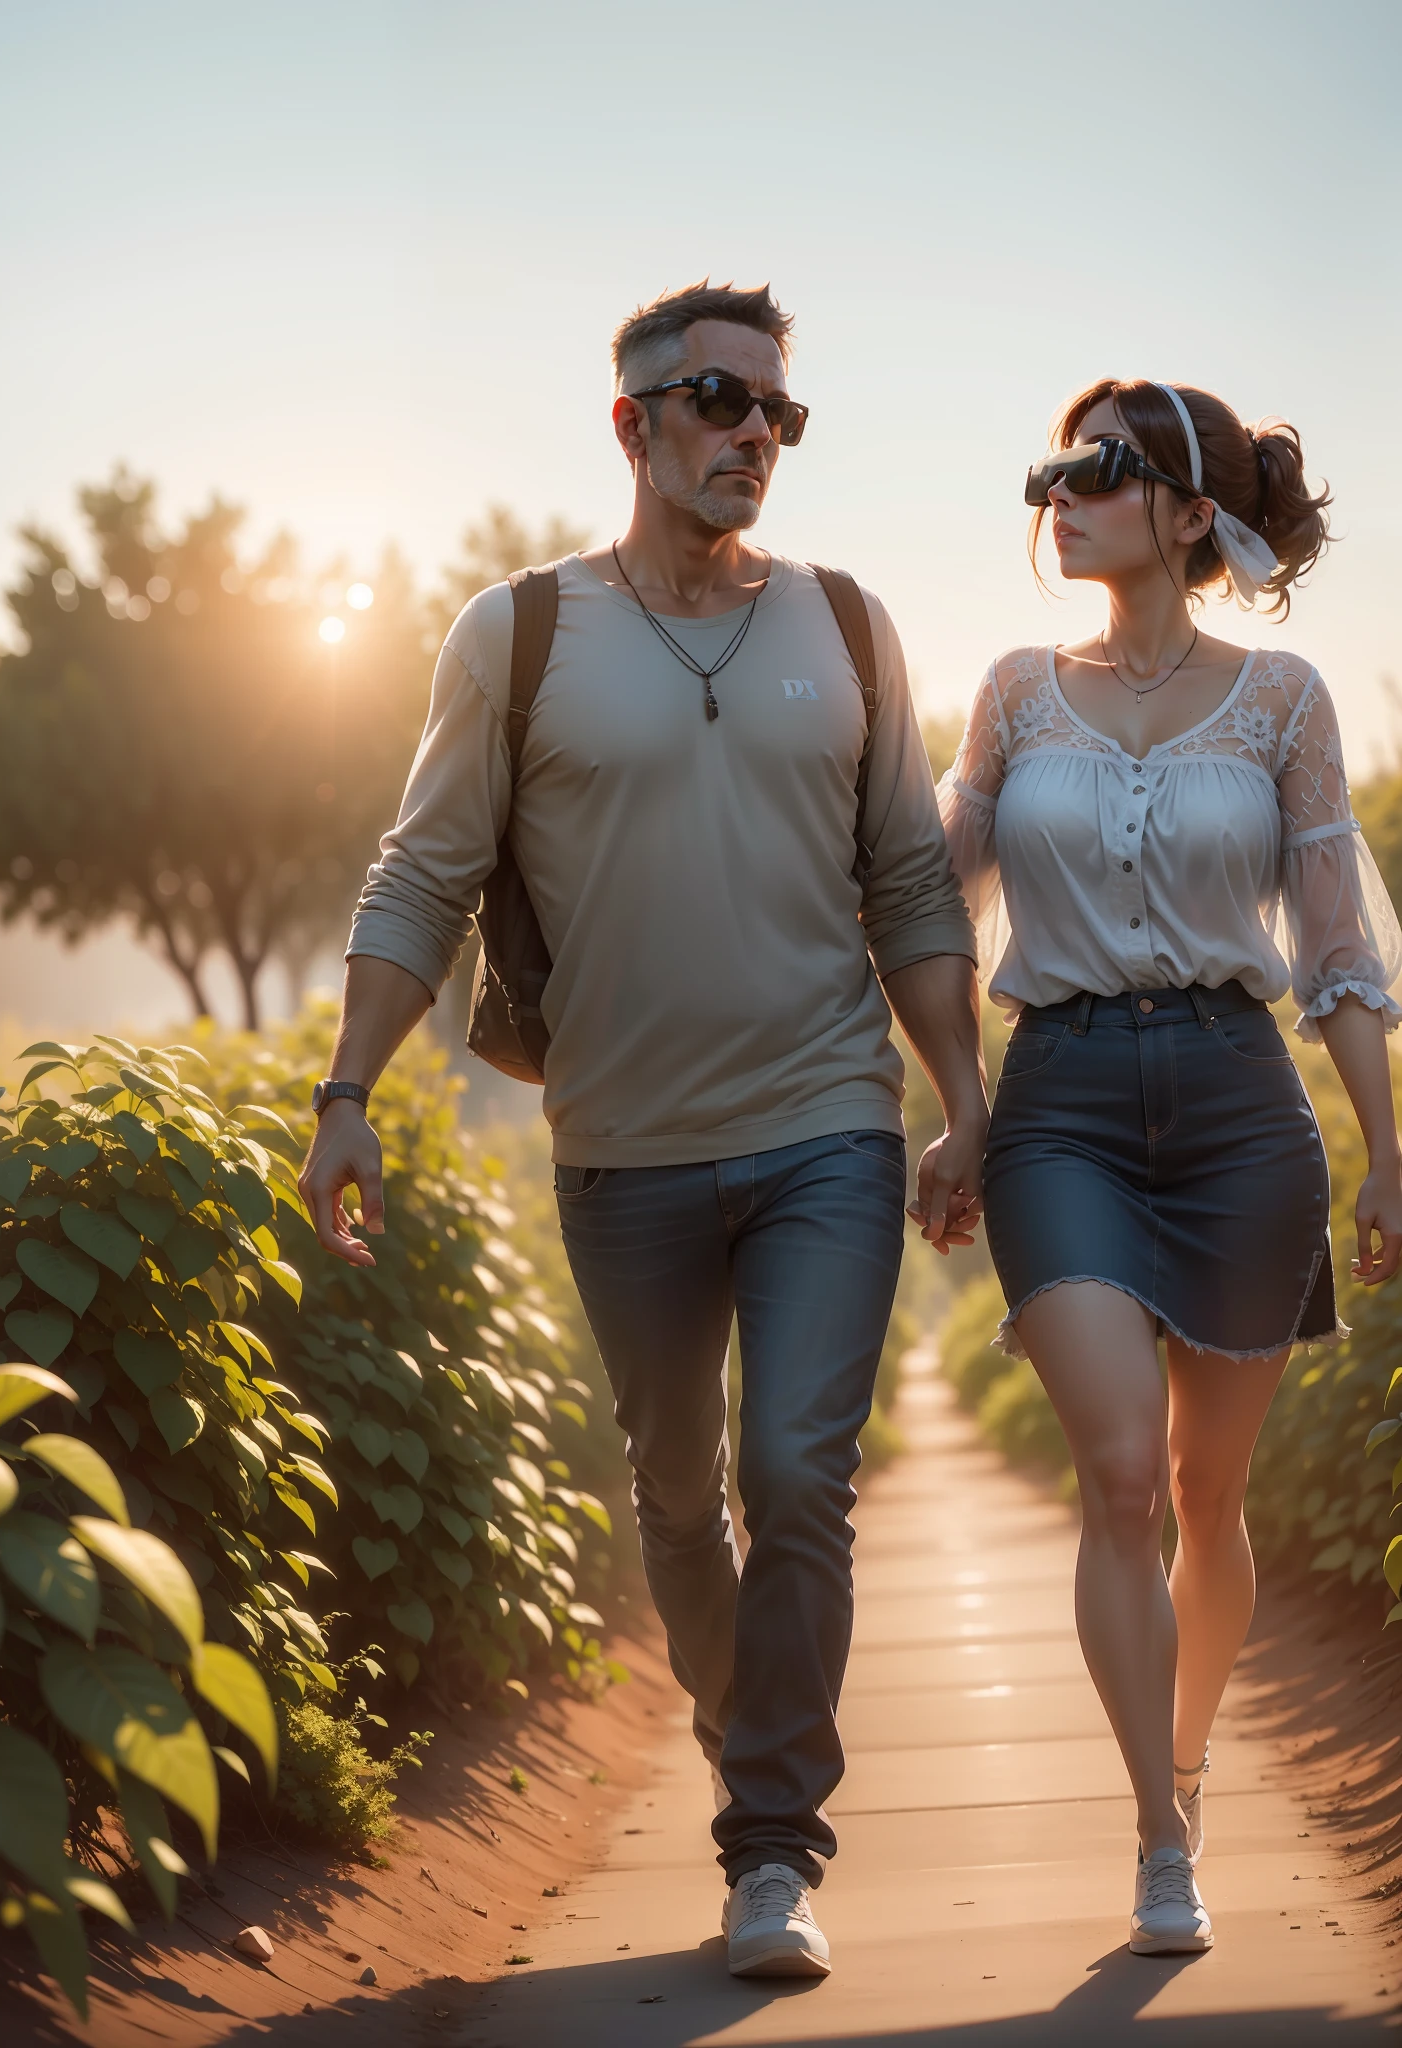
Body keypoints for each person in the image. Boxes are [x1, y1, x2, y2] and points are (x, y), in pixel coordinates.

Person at [296, 278, 988, 1979]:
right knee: (680, 1498)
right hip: (621, 1151)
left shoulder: (850, 625)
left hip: (829, 1120)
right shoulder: (517, 634)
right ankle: (739, 1714)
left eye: (779, 412)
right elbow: (424, 876)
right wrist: (347, 1095)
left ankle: (771, 1846)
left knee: (793, 1475)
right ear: (634, 424)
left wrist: (968, 1105)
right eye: (718, 401)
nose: (755, 433)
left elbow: (908, 879)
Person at [937, 377, 1402, 1956]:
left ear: (1192, 512)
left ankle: (1191, 1760)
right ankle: (1158, 1836)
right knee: (1124, 1477)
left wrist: (1387, 1153)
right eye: (1052, 468)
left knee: (1212, 1489)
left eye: (1101, 469)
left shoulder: (1284, 701)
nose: (1058, 491)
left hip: (1238, 1110)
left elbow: (1336, 950)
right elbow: (929, 915)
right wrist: (944, 1105)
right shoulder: (1010, 694)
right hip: (1057, 1103)